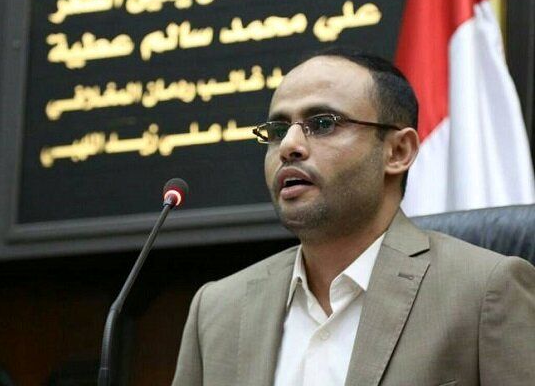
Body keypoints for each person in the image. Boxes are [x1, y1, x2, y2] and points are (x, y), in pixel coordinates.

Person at [171, 48, 535, 386]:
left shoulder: (485, 291)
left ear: (398, 151)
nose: (289, 146)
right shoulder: (217, 309)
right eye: (278, 131)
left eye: (323, 123)